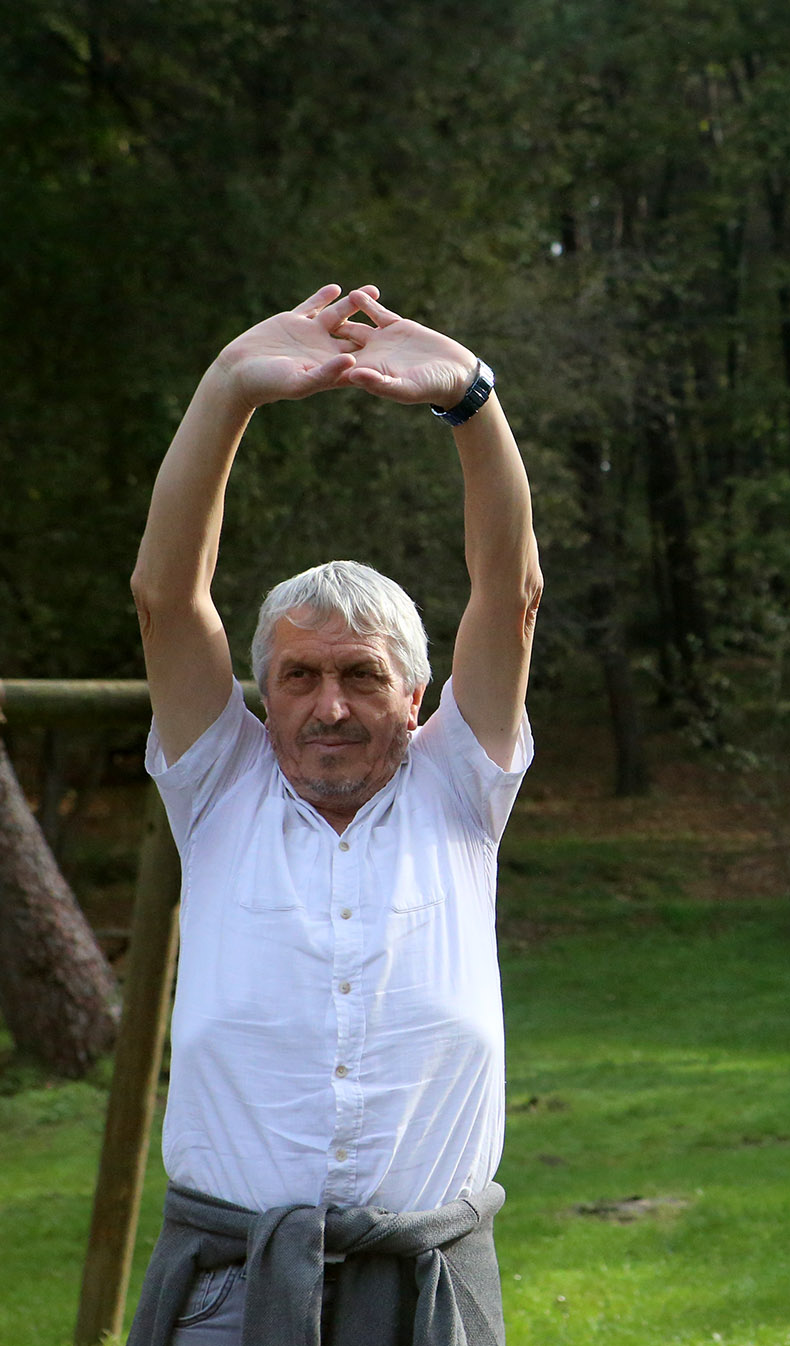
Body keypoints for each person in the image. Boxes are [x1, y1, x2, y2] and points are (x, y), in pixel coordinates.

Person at [124, 285, 541, 1345]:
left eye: (362, 674)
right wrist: (228, 391)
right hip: (230, 1288)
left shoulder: (460, 784)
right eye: (299, 675)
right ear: (261, 690)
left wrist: (472, 402)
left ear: (417, 696)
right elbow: (167, 597)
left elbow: (510, 587)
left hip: (421, 1289)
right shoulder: (221, 782)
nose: (330, 705)